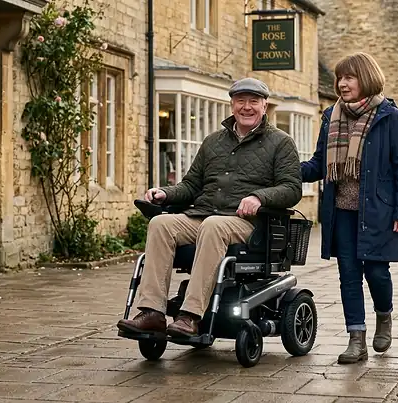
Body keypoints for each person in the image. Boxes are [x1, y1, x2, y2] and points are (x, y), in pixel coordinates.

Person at [117, 77, 302, 338]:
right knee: (161, 224)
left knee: (214, 227)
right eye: (240, 101)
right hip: (203, 215)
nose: (246, 107)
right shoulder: (214, 141)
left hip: (248, 222)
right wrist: (165, 193)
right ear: (232, 105)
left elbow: (292, 188)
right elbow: (191, 185)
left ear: (264, 105)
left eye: (253, 101)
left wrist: (259, 197)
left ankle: (190, 315)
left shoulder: (280, 142)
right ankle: (152, 313)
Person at [301, 52, 398, 364]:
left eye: (349, 77)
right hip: (341, 212)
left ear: (365, 79)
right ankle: (356, 338)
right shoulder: (331, 116)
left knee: (377, 273)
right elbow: (319, 163)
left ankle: (384, 317)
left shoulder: (389, 117)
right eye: (340, 78)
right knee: (348, 275)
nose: (341, 83)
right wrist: (287, 169)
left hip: (378, 210)